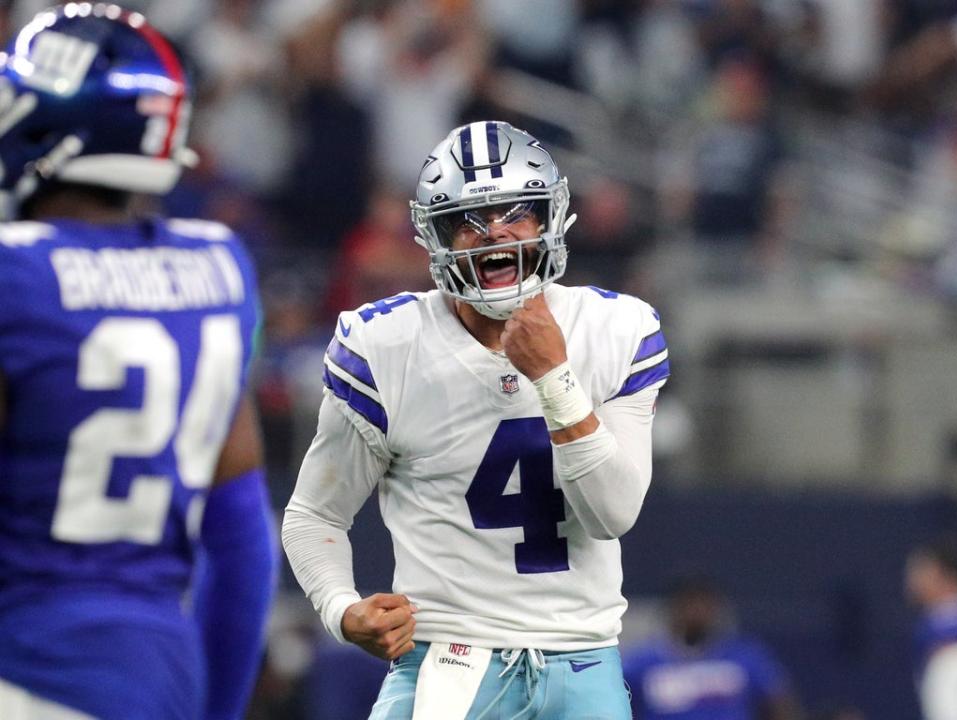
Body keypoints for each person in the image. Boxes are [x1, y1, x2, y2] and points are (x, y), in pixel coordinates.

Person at [283, 119, 670, 719]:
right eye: (467, 221)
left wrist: (553, 379)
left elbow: (612, 514)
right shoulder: (386, 345)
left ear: (548, 219)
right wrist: (340, 608)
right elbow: (314, 514)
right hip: (446, 662)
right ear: (435, 237)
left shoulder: (616, 330)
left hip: (584, 659)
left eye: (515, 212)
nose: (495, 235)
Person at [0, 4, 276, 719]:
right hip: (156, 673)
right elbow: (242, 545)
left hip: (27, 663)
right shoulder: (217, 268)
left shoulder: (17, 278)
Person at [622, 577, 802, 720]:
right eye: (689, 605)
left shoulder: (744, 657)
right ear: (673, 611)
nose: (697, 613)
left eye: (704, 606)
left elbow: (778, 702)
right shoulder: (642, 663)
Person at [905, 534, 957, 720]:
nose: (912, 578)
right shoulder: (930, 626)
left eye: (923, 570)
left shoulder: (947, 631)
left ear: (946, 576)